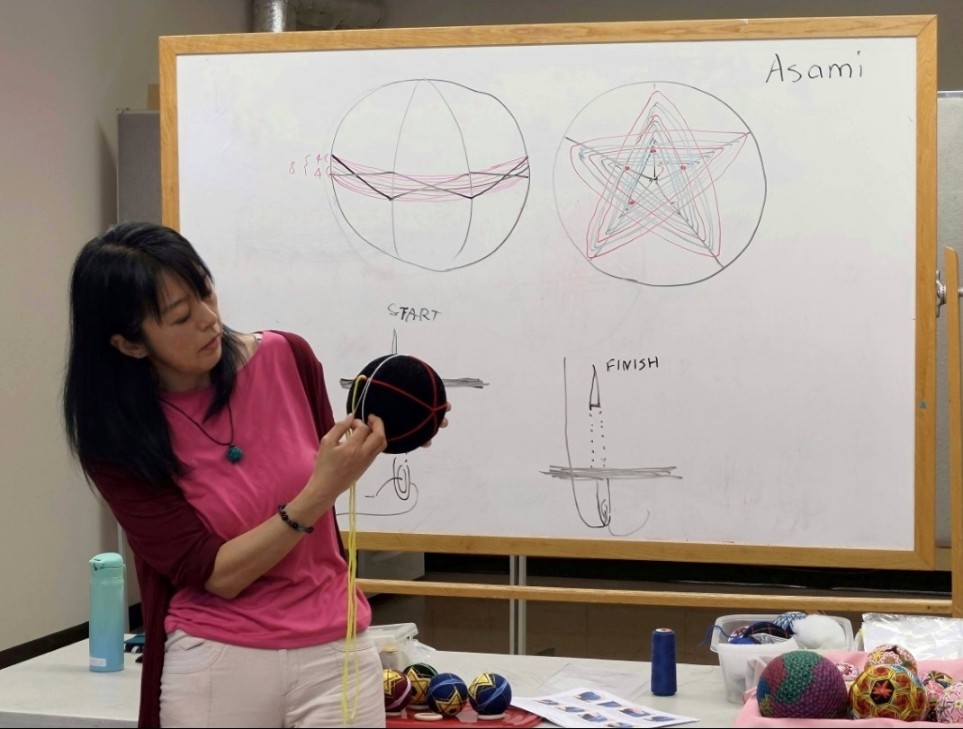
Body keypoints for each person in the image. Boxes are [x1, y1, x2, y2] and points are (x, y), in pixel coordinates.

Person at [62, 222, 448, 728]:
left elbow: (325, 483)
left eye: (205, 290)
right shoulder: (115, 439)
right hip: (217, 666)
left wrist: (405, 424)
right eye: (180, 316)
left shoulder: (288, 357)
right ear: (131, 345)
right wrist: (321, 489)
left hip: (335, 654)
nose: (207, 320)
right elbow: (217, 574)